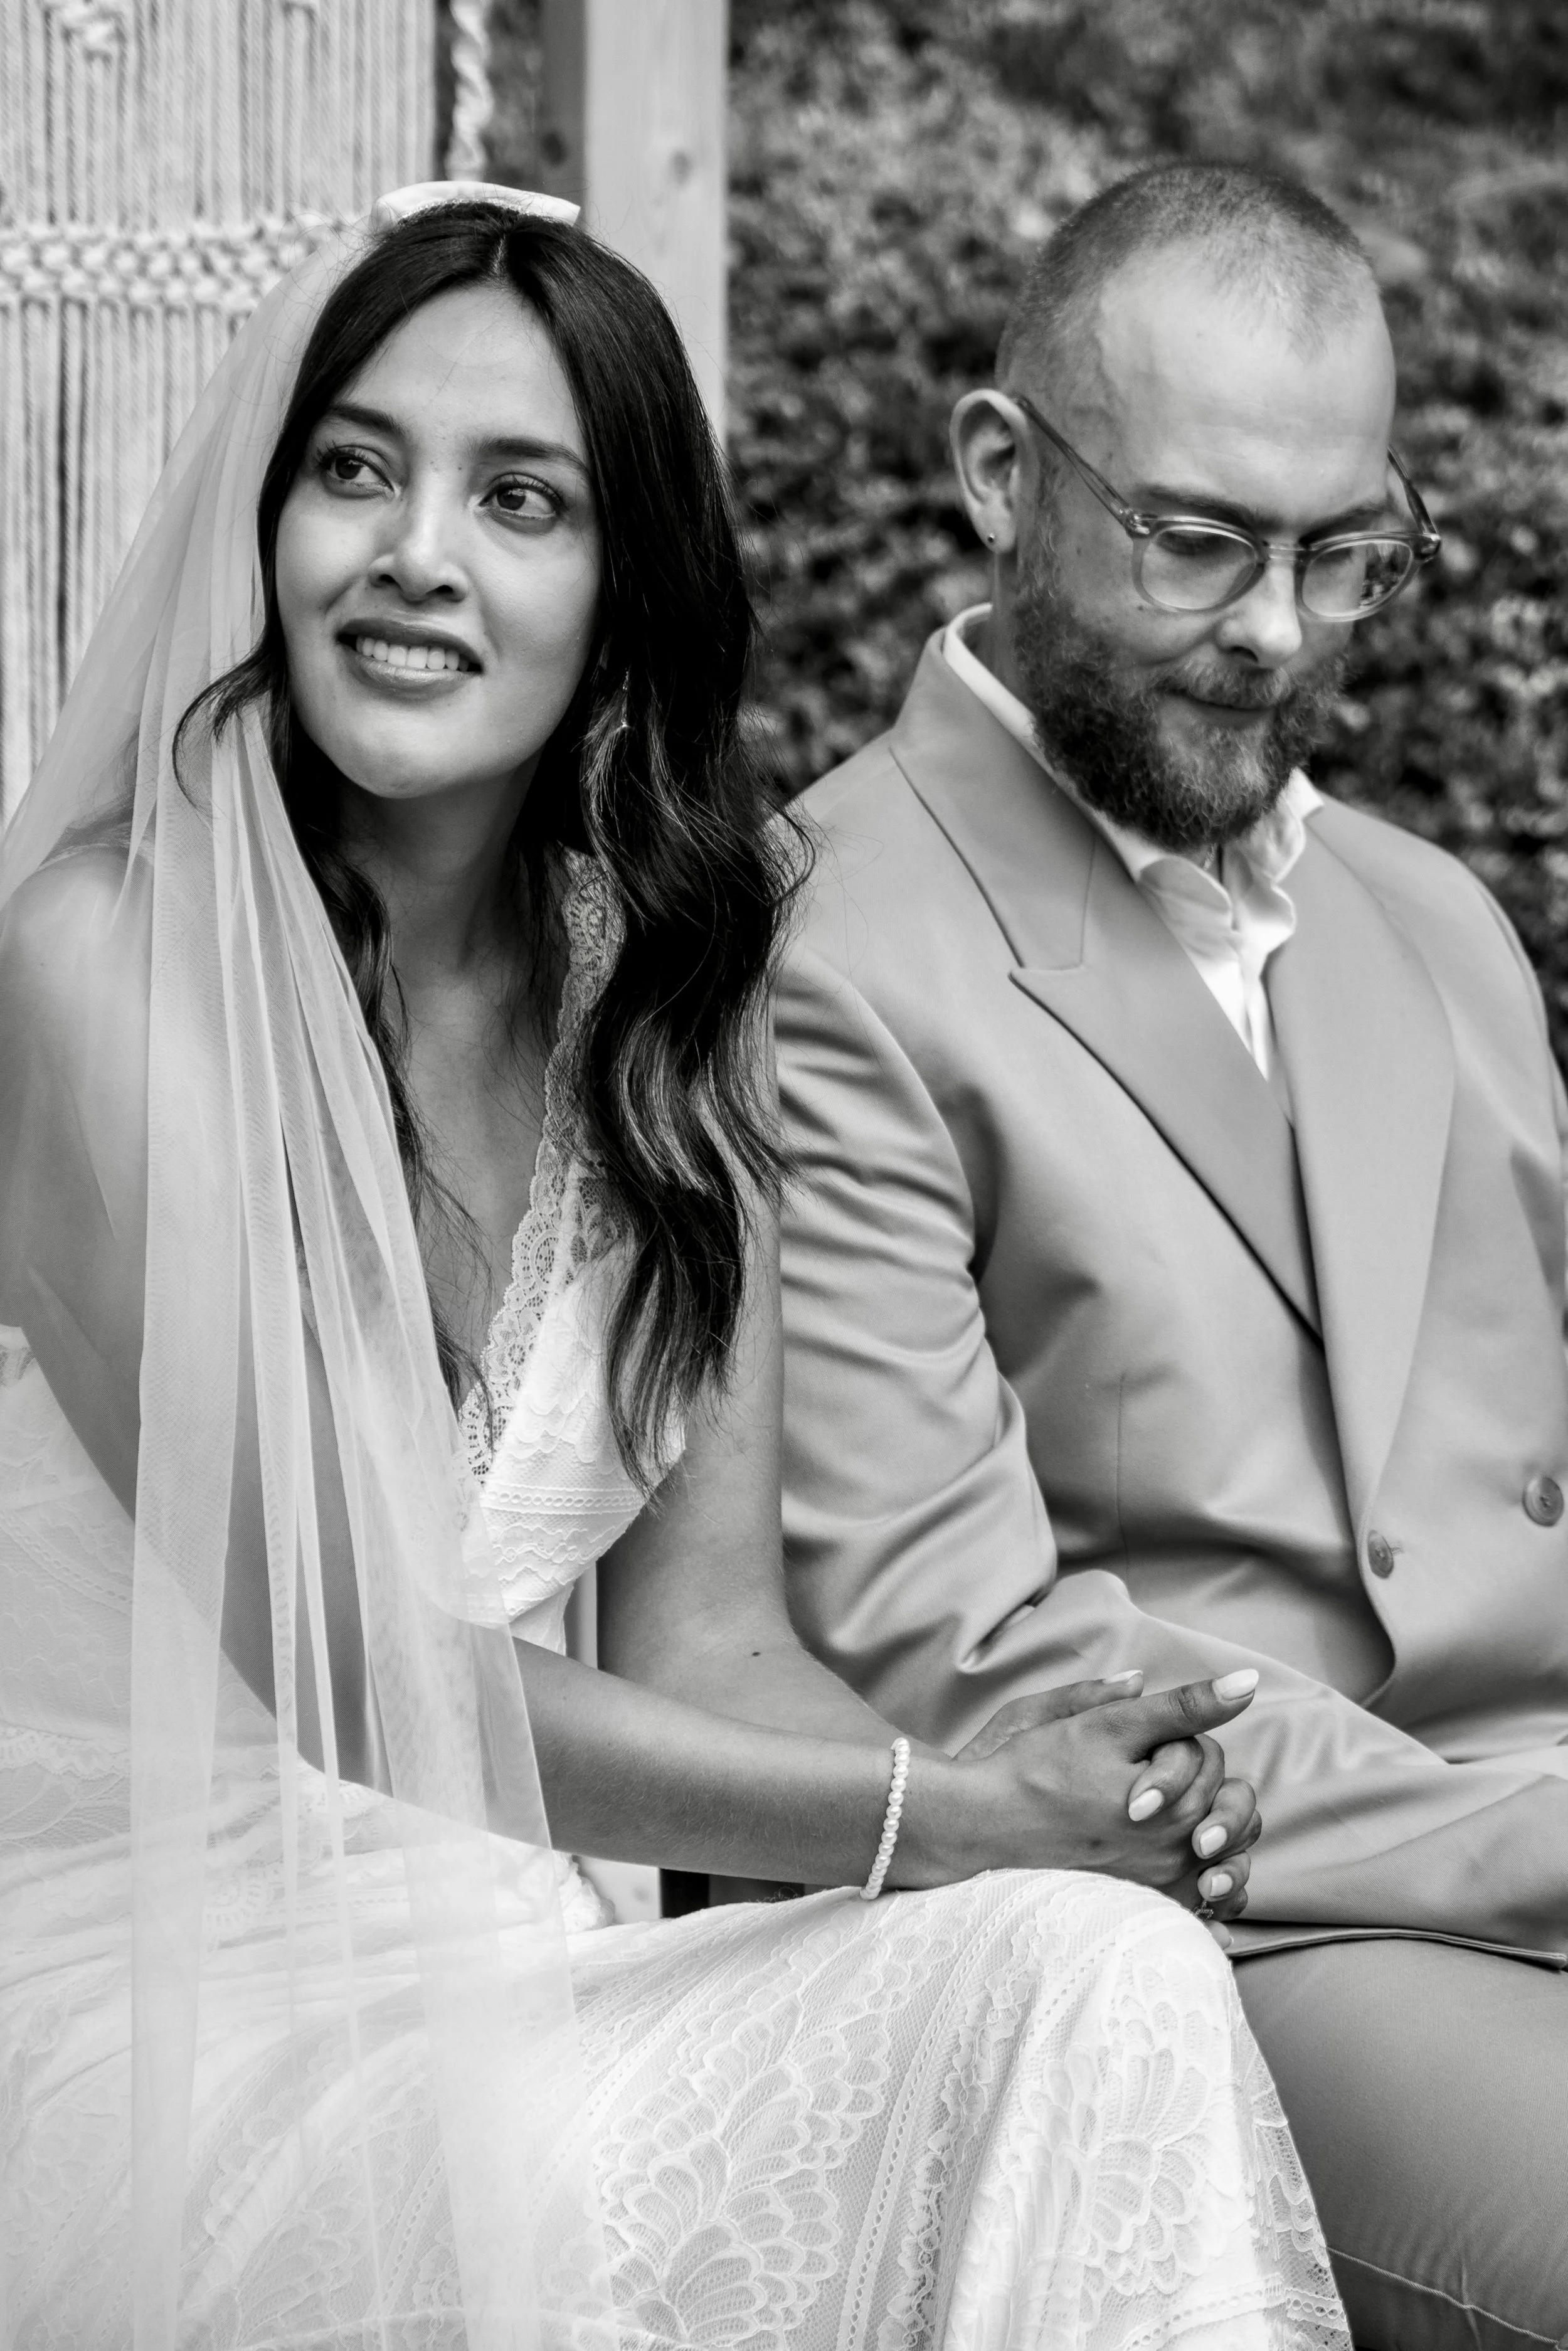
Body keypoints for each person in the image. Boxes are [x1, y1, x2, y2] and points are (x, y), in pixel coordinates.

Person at [0, 186, 1346, 2348]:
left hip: (520, 1981)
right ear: (267, 526)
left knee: (1089, 1973)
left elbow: (717, 1651)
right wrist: (970, 1807)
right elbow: (351, 1667)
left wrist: (1071, 1816)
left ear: (622, 582)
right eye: (355, 467)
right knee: (572, 2161)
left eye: (518, 497)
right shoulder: (100, 957)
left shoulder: (673, 1012)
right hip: (143, 2021)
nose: (414, 550)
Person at [774, 156, 1568, 2350]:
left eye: (1343, 553)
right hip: (1244, 1942)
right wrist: (1489, 1845)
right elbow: (946, 1657)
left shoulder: (1439, 922)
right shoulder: (821, 946)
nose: (1278, 631)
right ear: (997, 475)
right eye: (1199, 540)